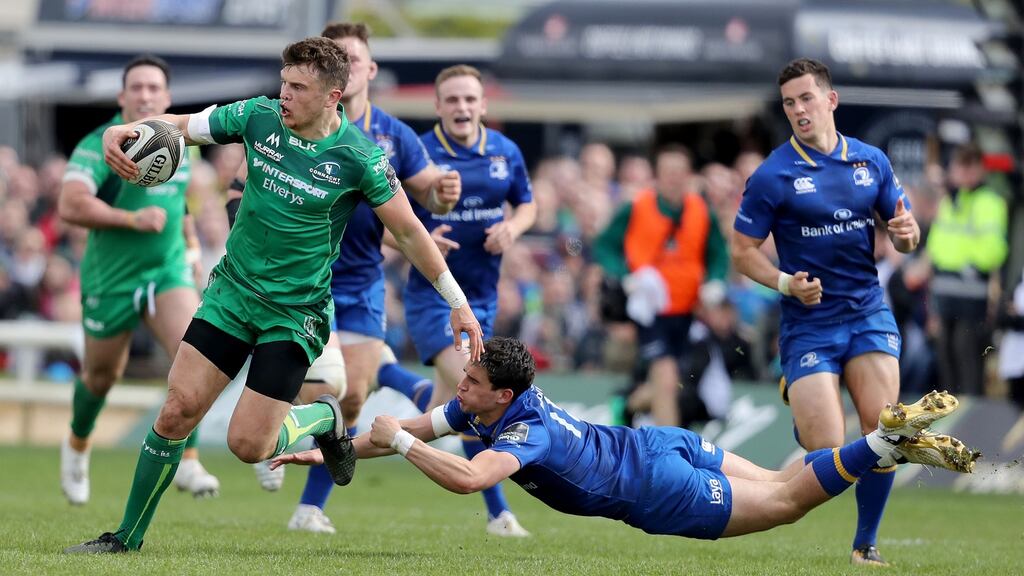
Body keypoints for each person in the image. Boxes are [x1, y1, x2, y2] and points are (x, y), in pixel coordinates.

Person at [64, 36, 483, 554]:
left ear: (333, 96)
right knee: (176, 410)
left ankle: (324, 416)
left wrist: (457, 302)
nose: (283, 95)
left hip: (294, 316)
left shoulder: (360, 158)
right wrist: (121, 130)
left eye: (298, 88)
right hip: (231, 295)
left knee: (247, 445)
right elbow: (182, 125)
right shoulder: (257, 117)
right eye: (283, 82)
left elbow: (412, 233)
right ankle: (124, 539)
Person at [271, 337, 978, 544]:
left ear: (503, 395)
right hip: (659, 443)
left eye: (471, 383)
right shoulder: (482, 406)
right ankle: (892, 445)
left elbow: (468, 480)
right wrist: (334, 447)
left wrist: (398, 446)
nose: (459, 387)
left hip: (657, 487)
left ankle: (887, 445)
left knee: (792, 499)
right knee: (782, 475)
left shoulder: (523, 429)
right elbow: (423, 427)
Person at [237, 21, 462, 534]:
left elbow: (424, 192)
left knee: (351, 398)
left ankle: (308, 508)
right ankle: (261, 434)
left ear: (367, 70)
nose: (349, 64)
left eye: (355, 58)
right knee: (325, 387)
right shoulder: (285, 120)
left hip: (360, 282)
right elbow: (241, 183)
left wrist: (442, 194)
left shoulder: (392, 136)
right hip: (300, 281)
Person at [730, 58, 922, 566]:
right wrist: (784, 282)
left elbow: (905, 229)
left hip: (866, 313)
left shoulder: (870, 161)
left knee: (885, 431)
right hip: (809, 325)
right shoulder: (773, 174)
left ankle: (866, 545)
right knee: (826, 454)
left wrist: (907, 235)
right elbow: (742, 250)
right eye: (789, 103)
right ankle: (801, 402)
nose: (798, 110)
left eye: (806, 99)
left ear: (830, 100)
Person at [57, 54, 219, 505]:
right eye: (137, 88)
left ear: (167, 98)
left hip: (166, 272)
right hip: (111, 277)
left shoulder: (181, 142)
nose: (146, 95)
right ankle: (76, 446)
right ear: (122, 96)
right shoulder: (97, 145)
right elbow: (70, 206)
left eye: (154, 88)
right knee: (101, 377)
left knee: (196, 353)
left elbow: (179, 207)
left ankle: (188, 461)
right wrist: (130, 219)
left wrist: (189, 250)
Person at [401, 64, 537, 536]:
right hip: (433, 297)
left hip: (481, 296)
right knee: (475, 392)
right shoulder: (416, 152)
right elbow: (387, 219)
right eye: (452, 100)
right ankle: (500, 513)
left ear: (483, 105)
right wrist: (421, 243)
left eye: (469, 99)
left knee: (436, 415)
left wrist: (513, 228)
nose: (461, 107)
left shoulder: (505, 151)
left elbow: (527, 203)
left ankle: (312, 501)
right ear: (438, 106)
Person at [593, 144, 729, 428]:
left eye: (680, 172)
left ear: (689, 175)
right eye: (668, 172)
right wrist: (623, 275)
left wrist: (715, 281)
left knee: (671, 380)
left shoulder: (701, 210)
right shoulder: (637, 206)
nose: (674, 178)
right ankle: (672, 452)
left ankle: (629, 404)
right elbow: (605, 246)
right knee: (666, 378)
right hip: (650, 307)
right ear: (657, 175)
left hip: (686, 309)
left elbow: (717, 253)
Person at [926, 143, 1008, 397]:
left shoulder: (991, 202)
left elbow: (994, 251)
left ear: (976, 169)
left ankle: (969, 428)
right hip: (945, 296)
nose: (955, 173)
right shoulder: (950, 201)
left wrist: (965, 261)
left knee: (968, 366)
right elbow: (936, 247)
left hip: (971, 299)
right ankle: (950, 427)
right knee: (946, 366)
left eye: (961, 167)